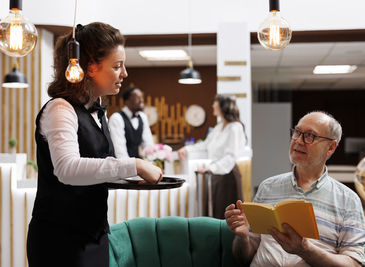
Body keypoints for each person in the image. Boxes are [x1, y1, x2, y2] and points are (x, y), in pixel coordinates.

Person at [26, 22, 163, 267]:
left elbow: (99, 170)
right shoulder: (60, 109)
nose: (125, 74)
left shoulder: (98, 113)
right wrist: (136, 164)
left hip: (94, 234)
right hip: (59, 240)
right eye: (117, 66)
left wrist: (132, 177)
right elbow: (67, 169)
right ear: (90, 67)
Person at [225, 111, 365, 267]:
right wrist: (242, 237)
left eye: (310, 136)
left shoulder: (348, 200)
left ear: (331, 147)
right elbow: (244, 257)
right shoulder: (268, 187)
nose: (299, 141)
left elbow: (354, 263)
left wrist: (305, 250)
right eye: (297, 132)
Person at [178, 94, 246, 219]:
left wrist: (212, 168)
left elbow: (231, 156)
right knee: (218, 212)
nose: (212, 105)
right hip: (217, 175)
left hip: (228, 175)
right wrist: (186, 149)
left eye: (215, 103)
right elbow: (205, 145)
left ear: (222, 106)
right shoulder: (219, 127)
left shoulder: (235, 128)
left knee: (230, 216)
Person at [109, 86, 154, 158]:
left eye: (142, 97)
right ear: (127, 102)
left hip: (137, 163)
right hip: (122, 165)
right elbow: (119, 151)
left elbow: (148, 145)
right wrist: (131, 167)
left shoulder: (143, 117)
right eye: (137, 98)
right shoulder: (116, 118)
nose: (141, 100)